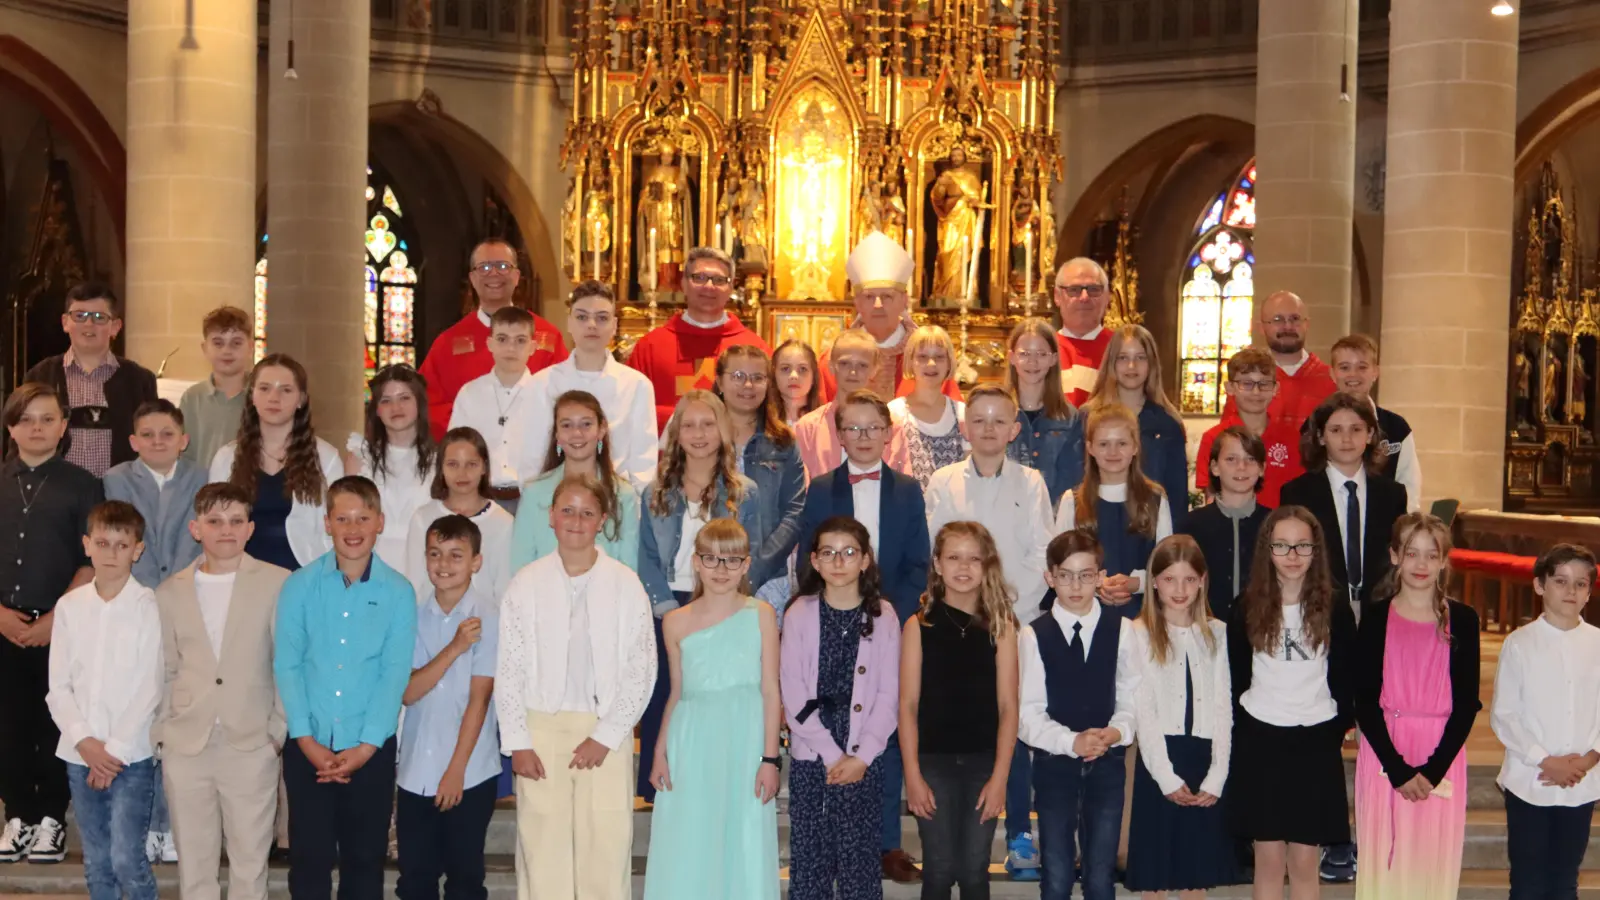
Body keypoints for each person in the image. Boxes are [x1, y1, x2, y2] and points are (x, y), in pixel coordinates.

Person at [499, 475, 656, 900]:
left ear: (602, 520)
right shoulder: (525, 583)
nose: (576, 520)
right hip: (540, 730)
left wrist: (606, 735)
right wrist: (517, 741)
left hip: (605, 732)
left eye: (587, 513)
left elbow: (641, 669)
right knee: (542, 849)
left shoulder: (625, 584)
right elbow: (509, 667)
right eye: (566, 510)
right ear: (550, 516)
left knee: (604, 850)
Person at [274, 476, 416, 900]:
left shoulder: (398, 591)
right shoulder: (299, 585)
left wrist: (367, 746)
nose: (353, 528)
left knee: (364, 861)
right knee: (309, 860)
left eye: (362, 518)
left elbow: (394, 674)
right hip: (308, 746)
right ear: (326, 524)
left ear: (380, 523)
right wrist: (304, 737)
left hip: (369, 748)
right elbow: (288, 663)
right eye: (342, 518)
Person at [153, 482, 292, 900]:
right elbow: (166, 667)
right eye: (214, 521)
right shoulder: (170, 590)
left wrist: (277, 730)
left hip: (251, 740)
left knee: (250, 864)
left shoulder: (278, 582)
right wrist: (162, 730)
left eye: (235, 521)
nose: (225, 530)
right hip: (187, 741)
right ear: (197, 529)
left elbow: (285, 661)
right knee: (195, 866)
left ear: (250, 529)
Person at [642, 519, 781, 900]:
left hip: (745, 736)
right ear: (696, 563)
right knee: (690, 834)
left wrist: (770, 759)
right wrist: (658, 752)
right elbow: (676, 693)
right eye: (712, 559)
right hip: (692, 740)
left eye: (732, 560)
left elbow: (771, 690)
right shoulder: (674, 622)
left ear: (747, 564)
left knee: (744, 834)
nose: (721, 569)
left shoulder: (762, 614)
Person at [636, 391, 765, 801]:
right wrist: (668, 609)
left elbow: (753, 552)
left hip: (724, 600)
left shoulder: (745, 492)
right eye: (688, 425)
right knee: (668, 694)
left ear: (723, 430)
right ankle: (662, 788)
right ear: (675, 433)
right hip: (669, 603)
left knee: (717, 695)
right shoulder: (656, 491)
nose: (698, 434)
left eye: (707, 424)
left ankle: (716, 782)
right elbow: (647, 556)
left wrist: (723, 604)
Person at [1227, 505, 1357, 900]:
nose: (1293, 556)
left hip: (1314, 739)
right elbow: (1234, 676)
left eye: (1302, 546)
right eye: (1282, 546)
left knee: (1304, 859)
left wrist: (1337, 726)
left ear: (1316, 550)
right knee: (1267, 857)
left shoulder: (1334, 606)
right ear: (1267, 550)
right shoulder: (1246, 605)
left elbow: (1346, 675)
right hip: (1261, 737)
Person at [0, 382, 103, 865]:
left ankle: (50, 821)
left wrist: (57, 618)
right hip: (2, 623)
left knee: (53, 724)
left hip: (61, 625)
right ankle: (17, 815)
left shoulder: (83, 484)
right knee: (9, 725)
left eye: (46, 418)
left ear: (64, 427)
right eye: (26, 419)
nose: (36, 427)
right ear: (11, 427)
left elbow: (91, 560)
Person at [1352, 512, 1480, 900]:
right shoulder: (1375, 618)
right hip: (1385, 754)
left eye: (1431, 555)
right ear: (1395, 556)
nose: (1421, 565)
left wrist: (1433, 771)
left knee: (1430, 867)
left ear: (1444, 561)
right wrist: (1398, 770)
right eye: (1411, 553)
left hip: (1441, 755)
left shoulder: (1463, 620)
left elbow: (1466, 705)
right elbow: (1366, 703)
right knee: (1385, 867)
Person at [780, 518, 902, 900]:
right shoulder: (799, 612)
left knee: (859, 865)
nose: (838, 561)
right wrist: (833, 756)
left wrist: (861, 756)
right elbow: (793, 693)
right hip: (813, 754)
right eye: (828, 553)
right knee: (811, 862)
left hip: (864, 757)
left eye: (849, 552)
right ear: (814, 561)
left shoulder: (884, 615)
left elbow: (888, 695)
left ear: (865, 560)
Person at [45, 501, 162, 900]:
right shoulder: (69, 607)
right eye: (103, 543)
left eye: (122, 544)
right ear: (87, 545)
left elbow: (151, 685)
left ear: (138, 549)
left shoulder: (148, 606)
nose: (112, 553)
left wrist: (112, 751)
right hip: (80, 754)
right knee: (97, 861)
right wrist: (86, 743)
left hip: (131, 755)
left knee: (128, 858)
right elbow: (58, 687)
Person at [1019, 528, 1142, 900]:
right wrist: (1071, 741)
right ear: (1050, 577)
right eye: (1066, 576)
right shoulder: (1032, 634)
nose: (1076, 586)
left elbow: (1132, 696)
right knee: (1056, 874)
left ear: (1101, 577)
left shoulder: (1123, 630)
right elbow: (1028, 714)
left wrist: (1116, 732)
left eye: (1086, 575)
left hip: (1107, 764)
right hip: (1054, 766)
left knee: (1100, 876)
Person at [899, 522, 1020, 900]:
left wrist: (1000, 777)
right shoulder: (918, 627)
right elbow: (907, 705)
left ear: (987, 566)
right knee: (938, 870)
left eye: (973, 558)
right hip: (932, 763)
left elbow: (1008, 706)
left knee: (973, 870)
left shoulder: (1002, 627)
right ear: (937, 564)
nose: (963, 567)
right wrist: (913, 776)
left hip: (984, 763)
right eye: (953, 557)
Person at [1124, 534, 1237, 897]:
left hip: (1202, 762)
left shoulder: (1217, 633)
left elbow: (1223, 707)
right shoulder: (1137, 633)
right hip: (1159, 765)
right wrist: (1166, 778)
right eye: (1170, 579)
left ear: (1202, 582)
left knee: (1194, 881)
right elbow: (1144, 711)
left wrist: (1217, 775)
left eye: (1189, 579)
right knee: (1155, 880)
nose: (1180, 588)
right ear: (1154, 581)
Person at [396, 515, 499, 900]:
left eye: (457, 556)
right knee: (414, 880)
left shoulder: (488, 615)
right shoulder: (413, 614)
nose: (444, 564)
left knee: (464, 879)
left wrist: (455, 771)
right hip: (415, 770)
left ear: (476, 562)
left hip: (468, 771)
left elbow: (479, 700)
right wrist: (455, 647)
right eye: (435, 554)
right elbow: (408, 691)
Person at [1490, 543, 1600, 900]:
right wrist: (1545, 760)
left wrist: (1589, 758)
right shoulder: (1520, 643)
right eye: (1561, 581)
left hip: (1580, 782)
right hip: (1529, 781)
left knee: (1565, 880)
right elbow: (1505, 715)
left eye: (1580, 584)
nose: (1571, 591)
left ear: (1589, 591)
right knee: (1527, 881)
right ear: (1540, 585)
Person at [418, 238, 568, 440]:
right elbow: (428, 404)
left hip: (534, 451)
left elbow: (565, 398)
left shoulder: (547, 337)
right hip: (471, 455)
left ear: (516, 276)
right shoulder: (448, 343)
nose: (494, 273)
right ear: (472, 278)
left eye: (503, 266)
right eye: (484, 267)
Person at [925, 385, 1052, 623]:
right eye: (979, 420)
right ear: (965, 427)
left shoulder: (1031, 482)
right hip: (956, 614)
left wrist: (1006, 604)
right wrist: (961, 603)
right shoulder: (943, 481)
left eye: (999, 421)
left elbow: (1042, 553)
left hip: (1017, 613)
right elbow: (933, 548)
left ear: (1014, 430)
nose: (989, 428)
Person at [210, 354, 346, 572]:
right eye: (264, 388)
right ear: (252, 396)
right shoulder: (226, 458)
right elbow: (213, 525)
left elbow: (338, 528)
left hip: (304, 577)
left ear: (301, 399)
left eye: (286, 390)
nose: (274, 397)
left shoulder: (326, 458)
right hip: (241, 577)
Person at [1281, 392, 1409, 618]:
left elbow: (1396, 557)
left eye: (1356, 429)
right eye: (1336, 430)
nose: (1347, 439)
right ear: (1320, 436)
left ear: (1370, 434)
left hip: (1378, 609)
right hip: (1319, 609)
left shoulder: (1392, 494)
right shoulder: (1297, 493)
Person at [524, 281, 658, 491]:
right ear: (569, 323)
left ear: (614, 325)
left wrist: (633, 510)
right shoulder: (542, 384)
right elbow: (532, 457)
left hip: (616, 502)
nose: (592, 324)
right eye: (582, 317)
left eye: (602, 318)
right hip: (555, 503)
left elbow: (643, 463)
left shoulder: (637, 386)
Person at [627, 247, 771, 431]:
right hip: (666, 457)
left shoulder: (754, 348)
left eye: (719, 280)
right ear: (683, 284)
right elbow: (629, 409)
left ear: (731, 288)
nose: (709, 286)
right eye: (699, 278)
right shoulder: (650, 347)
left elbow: (770, 411)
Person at [25, 282, 159, 477]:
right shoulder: (40, 375)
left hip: (119, 494)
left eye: (99, 317)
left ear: (115, 327)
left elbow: (151, 442)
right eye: (79, 316)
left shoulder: (139, 380)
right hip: (56, 489)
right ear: (65, 322)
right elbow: (20, 437)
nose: (88, 324)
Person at [1053, 404, 1173, 618]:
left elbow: (1168, 566)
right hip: (1087, 615)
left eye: (1122, 443)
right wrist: (1098, 585)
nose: (1113, 452)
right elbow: (1060, 565)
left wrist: (1137, 584)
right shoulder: (1072, 501)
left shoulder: (1155, 500)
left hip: (1143, 617)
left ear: (1135, 447)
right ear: (1090, 448)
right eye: (1104, 444)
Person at [820, 231, 961, 404]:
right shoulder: (833, 358)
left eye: (887, 296)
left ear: (904, 300)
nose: (878, 304)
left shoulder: (927, 355)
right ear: (857, 303)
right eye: (869, 297)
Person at [510, 391, 640, 572]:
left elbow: (629, 568)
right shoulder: (534, 492)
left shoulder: (623, 495)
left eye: (586, 424)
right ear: (556, 433)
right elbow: (519, 566)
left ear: (601, 430)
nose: (577, 433)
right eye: (566, 425)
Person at [713, 345, 806, 591]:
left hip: (767, 578)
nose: (748, 386)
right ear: (719, 382)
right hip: (707, 569)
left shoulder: (783, 442)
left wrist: (754, 571)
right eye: (738, 377)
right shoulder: (701, 437)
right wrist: (715, 565)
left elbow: (795, 514)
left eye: (757, 378)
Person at [1083, 325, 1189, 531]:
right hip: (1095, 528)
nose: (1131, 365)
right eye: (1123, 357)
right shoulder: (1087, 418)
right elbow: (1077, 482)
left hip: (1151, 530)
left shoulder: (1167, 424)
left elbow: (1177, 497)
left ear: (1152, 365)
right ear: (1111, 363)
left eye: (1140, 357)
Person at [105, 399, 208, 592]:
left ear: (183, 441)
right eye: (147, 435)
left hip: (189, 589)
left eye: (167, 434)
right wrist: (151, 592)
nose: (157, 441)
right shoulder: (117, 479)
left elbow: (191, 541)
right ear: (134, 443)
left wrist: (175, 588)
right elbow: (128, 536)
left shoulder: (201, 478)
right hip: (134, 590)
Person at [449, 306, 544, 513]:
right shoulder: (470, 394)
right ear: (490, 344)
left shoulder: (546, 395)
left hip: (532, 502)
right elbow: (454, 449)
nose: (511, 348)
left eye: (520, 340)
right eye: (502, 339)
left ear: (533, 346)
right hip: (480, 499)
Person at [344, 365, 437, 573]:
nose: (396, 407)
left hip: (423, 565)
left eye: (404, 398)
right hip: (373, 565)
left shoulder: (438, 461)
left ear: (418, 403)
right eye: (386, 401)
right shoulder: (360, 457)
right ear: (377, 410)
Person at [405, 428, 515, 603]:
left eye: (471, 464)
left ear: (484, 467)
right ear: (441, 468)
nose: (462, 473)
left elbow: (504, 590)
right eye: (453, 464)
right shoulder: (423, 518)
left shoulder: (503, 523)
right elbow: (414, 586)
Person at [1180, 425, 1271, 622]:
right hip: (1204, 632)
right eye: (1231, 459)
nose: (1241, 467)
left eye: (1251, 459)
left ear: (1262, 468)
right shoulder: (1190, 526)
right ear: (1214, 467)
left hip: (1262, 633)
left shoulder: (1275, 524)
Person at [1321, 334, 1422, 510]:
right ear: (1332, 373)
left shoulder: (1397, 428)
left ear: (1375, 372)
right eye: (1344, 367)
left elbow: (1409, 486)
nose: (1353, 375)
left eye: (1362, 367)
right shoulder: (1317, 423)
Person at [1194, 348, 1302, 508]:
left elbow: (1300, 495)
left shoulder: (1292, 438)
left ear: (1275, 389)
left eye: (1264, 384)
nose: (1256, 392)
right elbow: (1211, 496)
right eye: (1247, 384)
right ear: (1229, 387)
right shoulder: (1214, 437)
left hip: (1280, 528)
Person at [793, 330, 907, 481]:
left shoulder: (892, 426)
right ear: (832, 366)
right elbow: (800, 489)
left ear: (874, 370)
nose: (853, 371)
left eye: (862, 365)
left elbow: (901, 485)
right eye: (845, 363)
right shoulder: (807, 428)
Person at [1224, 290, 1337, 435]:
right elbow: (1227, 441)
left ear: (1306, 324)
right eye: (1278, 319)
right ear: (1261, 327)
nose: (1288, 326)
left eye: (1295, 319)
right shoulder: (1245, 382)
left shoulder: (1330, 379)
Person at [1005, 317, 1084, 509]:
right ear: (1012, 357)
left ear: (1053, 359)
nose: (1032, 362)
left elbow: (1073, 480)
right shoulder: (999, 413)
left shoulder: (1069, 418)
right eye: (1024, 354)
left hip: (1053, 521)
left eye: (1041, 354)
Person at [887, 325, 969, 487]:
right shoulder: (894, 412)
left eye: (939, 357)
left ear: (949, 363)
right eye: (922, 357)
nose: (931, 363)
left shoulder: (962, 413)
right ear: (910, 362)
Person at [179, 306, 253, 469]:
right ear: (205, 349)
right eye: (218, 343)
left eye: (236, 343)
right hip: (204, 488)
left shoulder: (262, 395)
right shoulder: (192, 397)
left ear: (250, 347)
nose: (227, 351)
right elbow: (184, 456)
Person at [1051, 258, 1105, 406]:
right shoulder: (1044, 349)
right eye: (1074, 290)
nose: (1084, 297)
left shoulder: (1122, 349)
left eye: (1094, 289)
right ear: (1057, 296)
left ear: (1107, 296)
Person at [774, 339, 823, 425]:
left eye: (803, 369)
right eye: (785, 368)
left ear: (813, 376)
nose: (794, 376)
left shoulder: (825, 421)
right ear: (774, 374)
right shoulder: (761, 421)